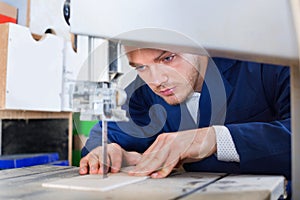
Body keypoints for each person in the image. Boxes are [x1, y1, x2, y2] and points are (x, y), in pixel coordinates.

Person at [79, 47, 291, 184]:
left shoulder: (268, 65)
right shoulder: (142, 92)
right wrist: (111, 153)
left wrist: (215, 138)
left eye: (168, 58)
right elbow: (102, 137)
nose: (157, 80)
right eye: (142, 67)